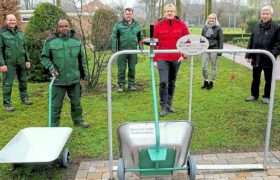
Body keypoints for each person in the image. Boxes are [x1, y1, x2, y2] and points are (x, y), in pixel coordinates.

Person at [40, 19, 89, 128]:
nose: (64, 28)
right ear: (58, 28)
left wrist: (84, 75)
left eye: (66, 26)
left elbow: (82, 60)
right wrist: (51, 68)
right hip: (58, 79)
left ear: (69, 26)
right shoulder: (50, 41)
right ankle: (53, 125)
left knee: (76, 103)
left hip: (74, 78)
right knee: (56, 105)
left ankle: (78, 120)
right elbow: (44, 58)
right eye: (62, 26)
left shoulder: (76, 41)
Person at [153, 4, 190, 117]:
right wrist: (155, 59)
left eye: (172, 11)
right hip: (162, 58)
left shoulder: (181, 25)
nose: (169, 13)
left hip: (176, 58)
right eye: (167, 11)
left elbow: (187, 41)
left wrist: (183, 55)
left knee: (172, 82)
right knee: (163, 81)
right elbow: (154, 43)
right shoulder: (158, 25)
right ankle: (163, 106)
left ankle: (169, 104)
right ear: (164, 12)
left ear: (175, 13)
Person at [245, 5, 280, 104]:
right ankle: (254, 95)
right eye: (263, 13)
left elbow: (278, 44)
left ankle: (267, 96)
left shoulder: (277, 27)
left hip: (268, 58)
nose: (264, 16)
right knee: (255, 78)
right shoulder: (256, 27)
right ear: (261, 14)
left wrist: (271, 54)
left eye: (267, 13)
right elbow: (251, 41)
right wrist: (248, 55)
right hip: (256, 57)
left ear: (271, 14)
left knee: (268, 79)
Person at [0, 14, 32, 112]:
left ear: (16, 21)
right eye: (10, 20)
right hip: (9, 63)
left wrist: (27, 60)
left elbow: (25, 48)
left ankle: (24, 98)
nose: (12, 22)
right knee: (7, 84)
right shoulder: (2, 34)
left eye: (13, 20)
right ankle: (7, 103)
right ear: (6, 21)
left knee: (23, 81)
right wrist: (2, 64)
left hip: (21, 61)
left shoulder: (20, 33)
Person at [111, 8, 143, 92]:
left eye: (130, 14)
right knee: (121, 69)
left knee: (132, 68)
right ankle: (121, 85)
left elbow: (141, 37)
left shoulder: (137, 25)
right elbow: (114, 37)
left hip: (133, 51)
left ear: (132, 15)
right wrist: (114, 50)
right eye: (127, 14)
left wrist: (141, 48)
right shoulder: (119, 25)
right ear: (124, 15)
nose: (128, 15)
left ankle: (131, 84)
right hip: (122, 51)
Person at [201, 13, 224, 90]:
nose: (211, 19)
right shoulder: (204, 27)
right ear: (208, 19)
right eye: (210, 18)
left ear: (215, 19)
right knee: (203, 66)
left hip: (214, 49)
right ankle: (206, 81)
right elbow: (202, 38)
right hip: (205, 49)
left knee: (213, 66)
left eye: (213, 18)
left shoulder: (218, 28)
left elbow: (221, 40)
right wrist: (200, 48)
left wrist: (220, 52)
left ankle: (211, 82)